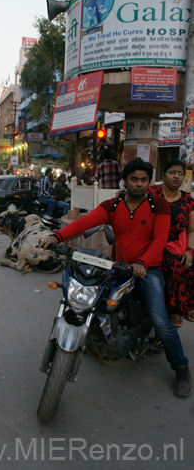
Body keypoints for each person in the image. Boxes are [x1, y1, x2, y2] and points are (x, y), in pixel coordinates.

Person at [40, 158, 191, 398]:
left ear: (149, 182)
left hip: (149, 269)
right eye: (134, 179)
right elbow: (84, 222)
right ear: (125, 181)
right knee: (92, 300)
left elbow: (159, 240)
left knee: (161, 320)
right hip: (118, 266)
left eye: (144, 180)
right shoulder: (114, 204)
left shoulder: (159, 206)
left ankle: (181, 368)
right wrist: (57, 236)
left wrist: (142, 263)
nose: (139, 184)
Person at [149, 160, 194, 328]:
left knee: (189, 261)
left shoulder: (188, 199)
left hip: (176, 242)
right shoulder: (152, 192)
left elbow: (192, 230)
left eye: (180, 173)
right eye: (172, 172)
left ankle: (189, 302)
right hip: (153, 241)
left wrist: (190, 250)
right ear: (163, 174)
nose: (176, 176)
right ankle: (178, 308)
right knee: (173, 265)